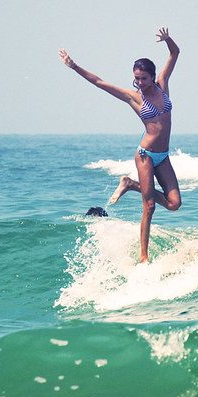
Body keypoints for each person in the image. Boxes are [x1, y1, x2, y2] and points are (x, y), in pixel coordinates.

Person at [60, 28, 181, 262]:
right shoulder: (133, 97)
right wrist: (74, 66)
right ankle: (144, 257)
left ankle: (130, 184)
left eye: (144, 78)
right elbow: (99, 82)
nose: (139, 82)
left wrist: (168, 40)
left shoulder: (163, 84)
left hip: (163, 155)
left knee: (175, 204)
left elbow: (175, 53)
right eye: (136, 78)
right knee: (149, 206)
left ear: (152, 76)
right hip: (145, 155)